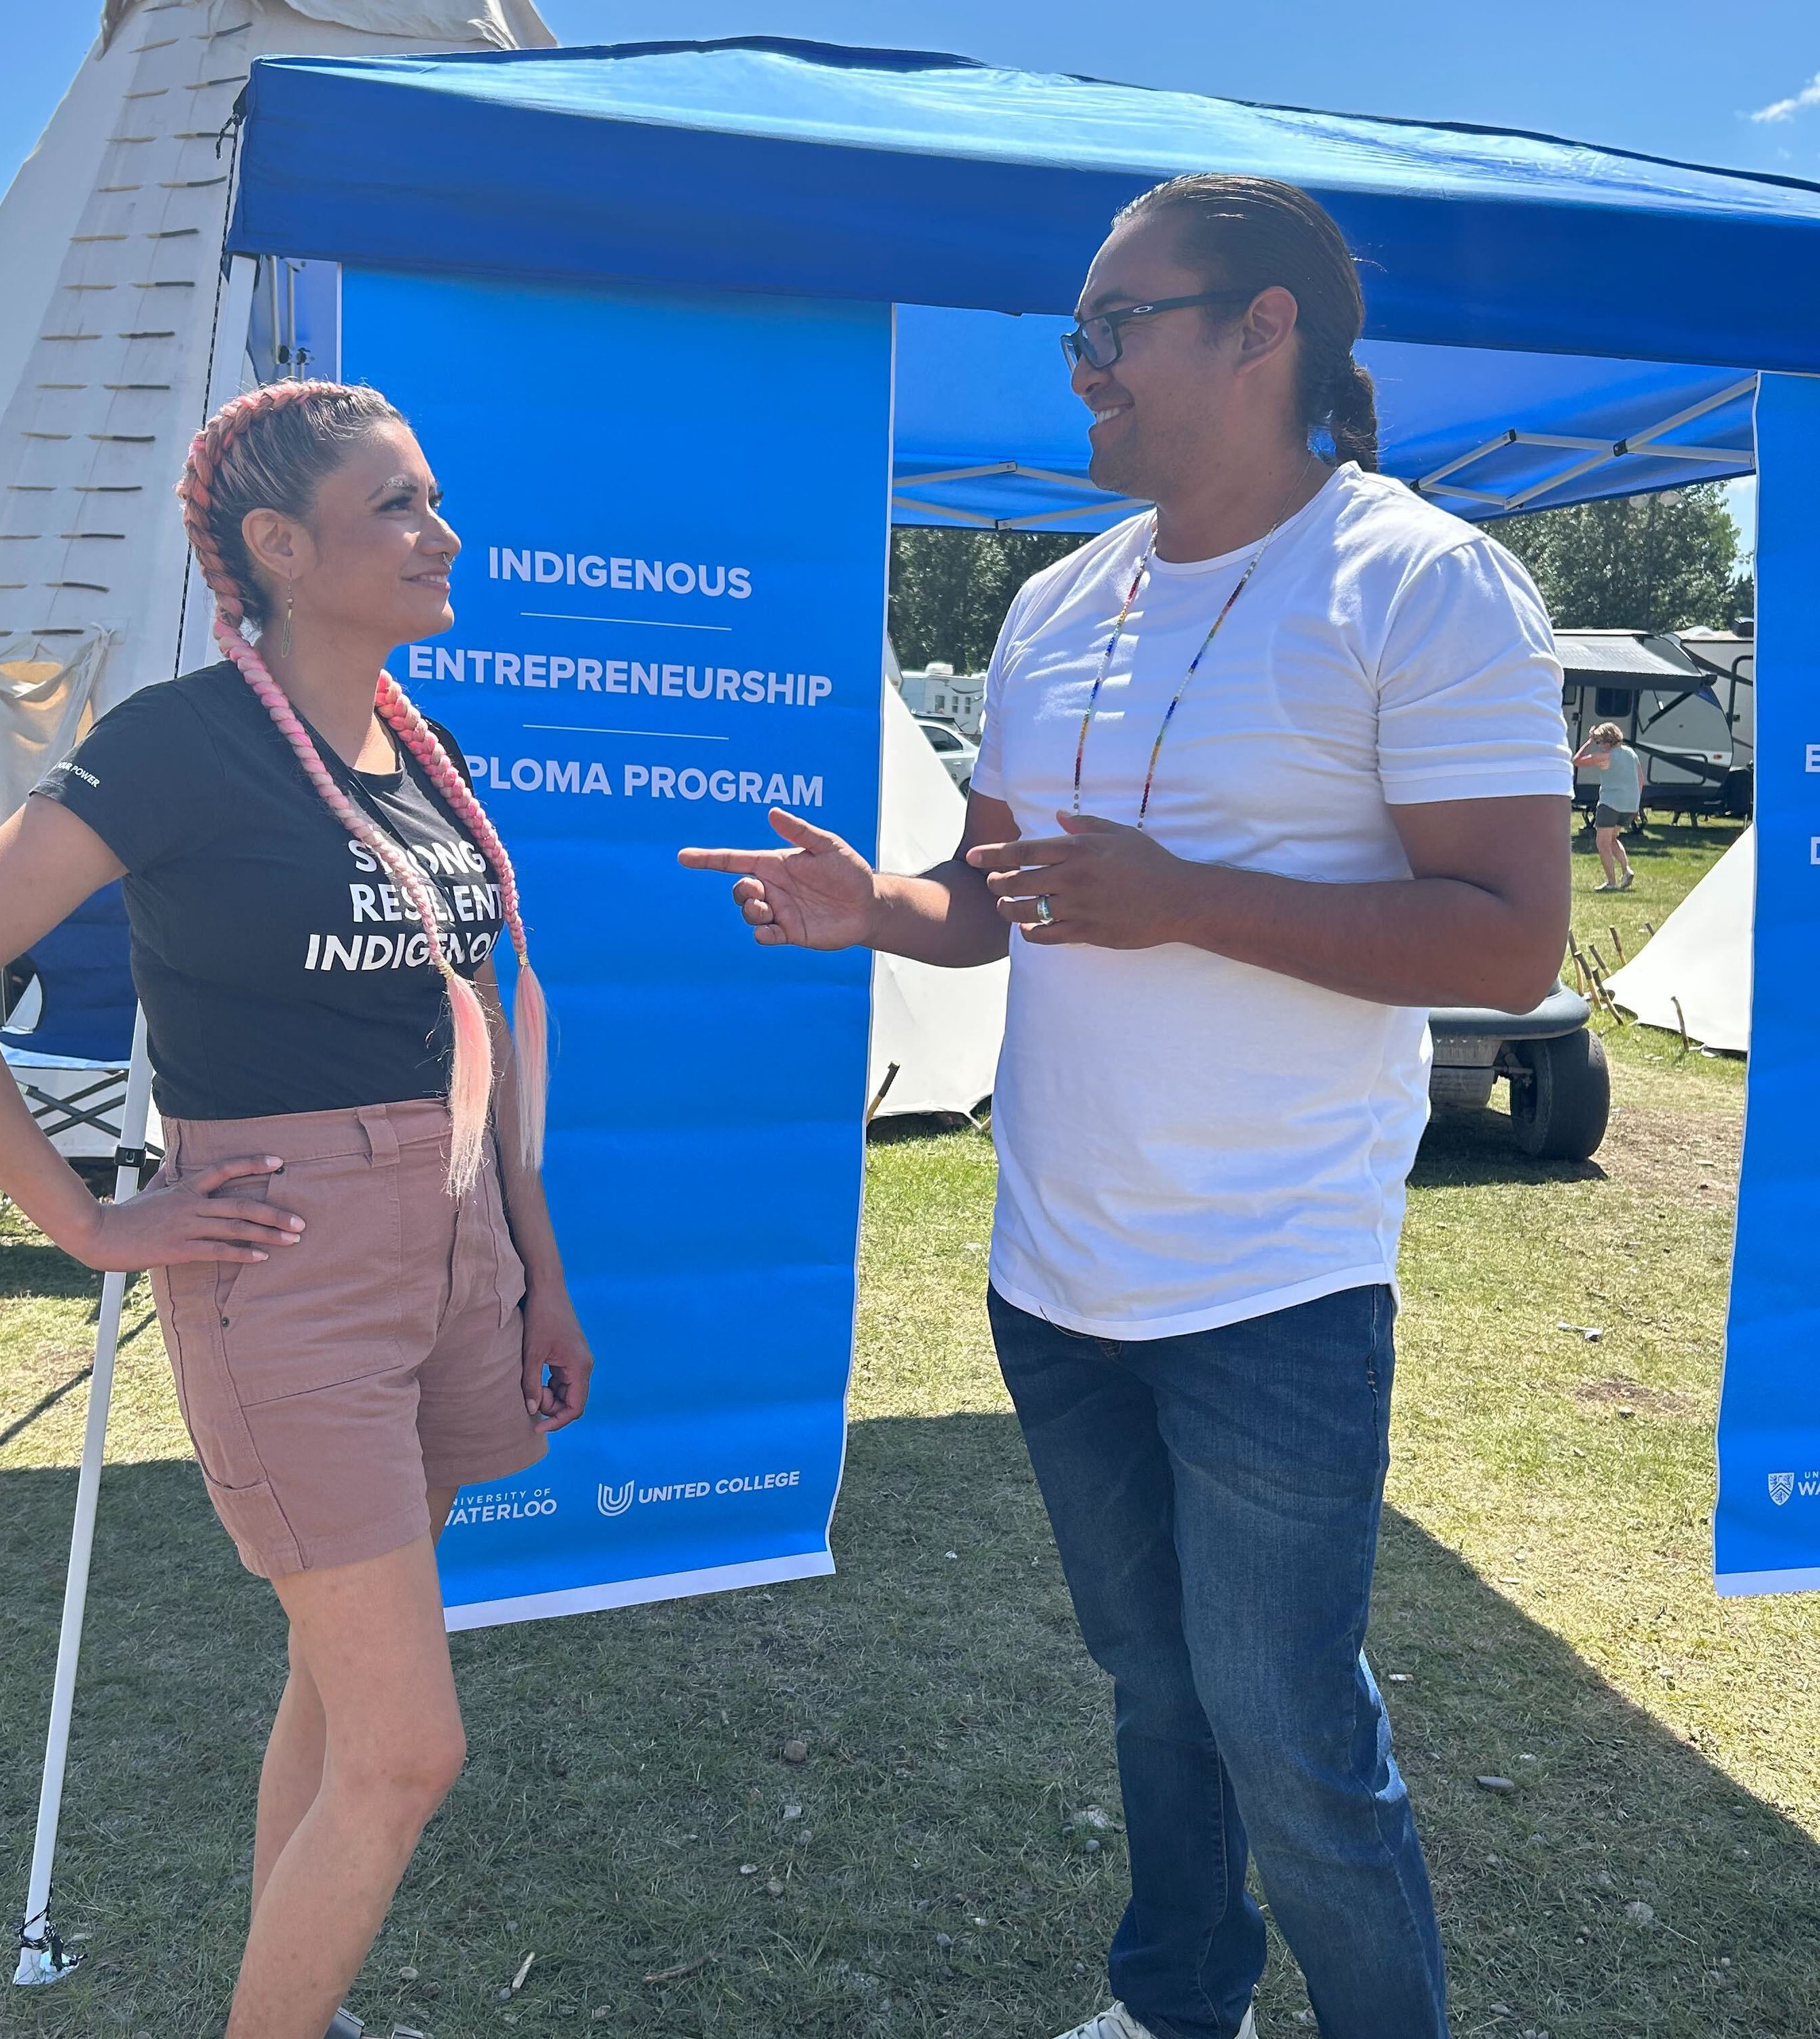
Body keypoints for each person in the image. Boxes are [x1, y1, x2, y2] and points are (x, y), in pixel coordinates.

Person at [682, 175, 1571, 2039]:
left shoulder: (1419, 579)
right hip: (1056, 1269)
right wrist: (879, 912)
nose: (1078, 365)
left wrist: (1186, 901)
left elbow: (1509, 945)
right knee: (1153, 1689)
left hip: (1273, 1282)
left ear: (1266, 331)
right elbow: (991, 901)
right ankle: (1180, 2000)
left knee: (1293, 1734)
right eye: (1074, 331)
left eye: (1113, 324)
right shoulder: (1055, 600)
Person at [0, 381, 593, 2039]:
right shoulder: (181, 741)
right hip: (292, 1268)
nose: (442, 532)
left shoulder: (423, 744)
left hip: (455, 1228)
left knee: (337, 1686)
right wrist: (87, 1220)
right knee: (411, 1748)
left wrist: (538, 1267)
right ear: (279, 544)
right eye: (398, 504)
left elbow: (489, 1012)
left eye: (432, 496)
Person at [1573, 720, 1641, 890]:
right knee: (1612, 839)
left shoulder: (1605, 756)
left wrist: (1587, 742)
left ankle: (1611, 883)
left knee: (1602, 843)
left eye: (1599, 742)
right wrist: (1637, 803)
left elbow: (1577, 761)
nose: (1599, 745)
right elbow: (1641, 780)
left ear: (1607, 741)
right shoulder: (1631, 753)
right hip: (1630, 805)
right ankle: (1626, 870)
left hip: (1610, 803)